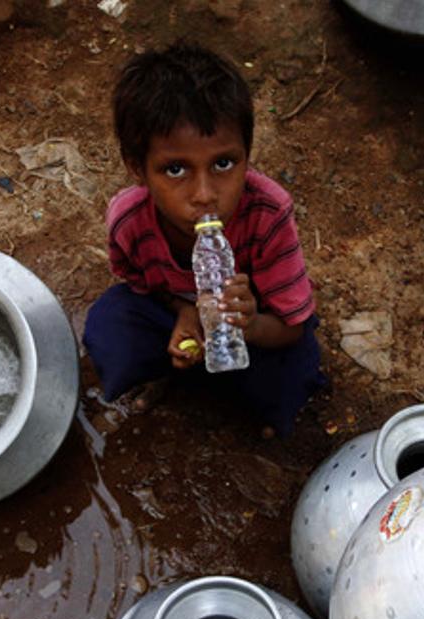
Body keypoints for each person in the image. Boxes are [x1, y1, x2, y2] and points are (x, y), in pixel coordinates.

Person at [82, 42, 326, 438]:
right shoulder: (129, 221)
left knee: (294, 376)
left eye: (224, 164)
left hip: (255, 317)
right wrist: (185, 312)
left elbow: (291, 327)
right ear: (137, 168)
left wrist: (245, 325)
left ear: (247, 154)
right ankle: (173, 374)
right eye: (175, 169)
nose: (204, 193)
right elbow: (141, 285)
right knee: (111, 329)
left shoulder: (267, 212)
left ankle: (237, 395)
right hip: (181, 310)